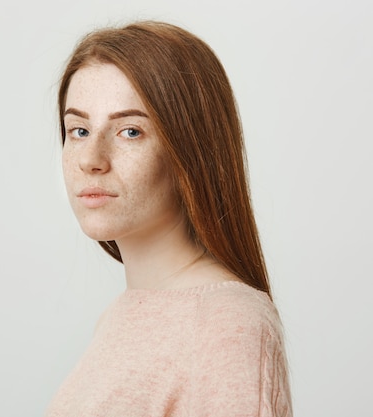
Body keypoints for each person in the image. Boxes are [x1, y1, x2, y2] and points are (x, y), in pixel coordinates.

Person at [45, 21, 292, 417]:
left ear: (190, 151)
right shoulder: (118, 317)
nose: (91, 159)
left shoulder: (227, 324)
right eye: (78, 130)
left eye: (130, 131)